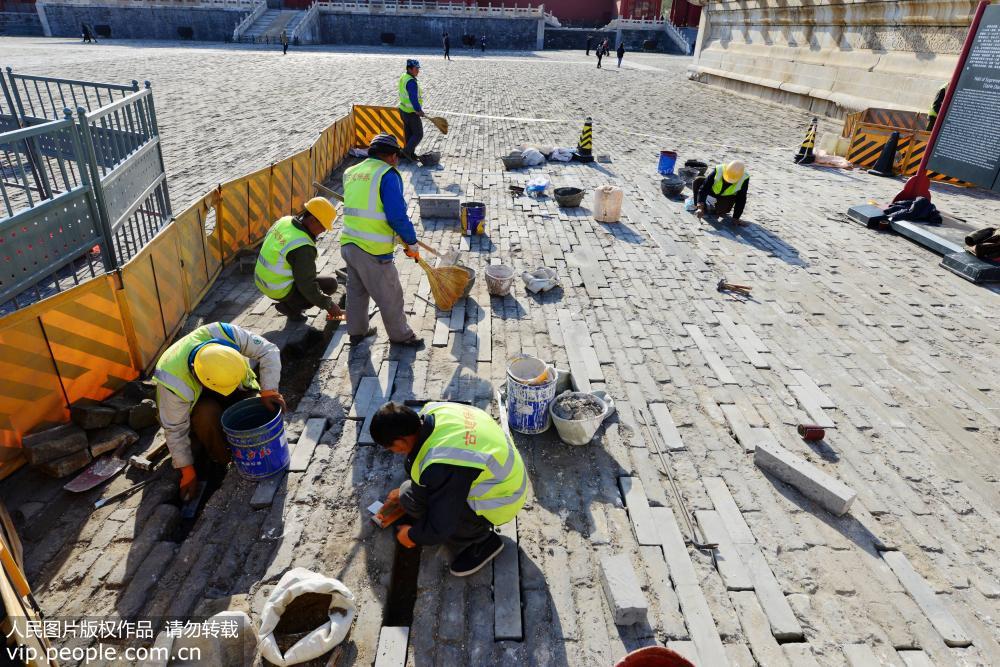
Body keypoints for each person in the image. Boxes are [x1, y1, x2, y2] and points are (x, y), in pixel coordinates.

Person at [370, 401, 528, 577]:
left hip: (503, 500)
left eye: (391, 448)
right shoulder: (432, 410)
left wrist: (412, 535)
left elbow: (441, 525)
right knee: (408, 494)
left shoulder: (442, 464)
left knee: (418, 503)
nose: (395, 452)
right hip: (504, 475)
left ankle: (482, 541)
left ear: (400, 441)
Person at [153, 322, 284, 501]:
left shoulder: (225, 333)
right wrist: (187, 470)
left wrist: (269, 390)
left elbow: (269, 350)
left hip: (238, 387)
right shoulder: (173, 382)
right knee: (206, 415)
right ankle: (224, 461)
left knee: (252, 407)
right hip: (198, 408)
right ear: (199, 376)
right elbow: (175, 429)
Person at [340, 134, 423, 347]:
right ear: (393, 157)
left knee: (356, 291)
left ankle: (356, 333)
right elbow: (396, 216)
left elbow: (369, 210)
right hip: (372, 249)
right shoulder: (387, 174)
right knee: (390, 295)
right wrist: (411, 241)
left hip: (349, 244)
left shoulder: (351, 172)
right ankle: (401, 336)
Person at [255, 197, 345, 323]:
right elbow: (307, 285)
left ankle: (288, 302)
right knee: (329, 285)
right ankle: (290, 307)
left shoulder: (284, 221)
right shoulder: (302, 246)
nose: (324, 230)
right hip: (277, 288)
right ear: (313, 220)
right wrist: (329, 305)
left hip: (261, 281)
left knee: (315, 278)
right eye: (323, 225)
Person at [694, 160, 749, 225]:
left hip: (726, 197)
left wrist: (736, 218)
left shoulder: (744, 178)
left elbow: (741, 199)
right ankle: (698, 206)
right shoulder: (719, 170)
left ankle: (711, 207)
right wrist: (700, 207)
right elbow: (704, 189)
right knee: (698, 181)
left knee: (719, 211)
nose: (728, 182)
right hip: (712, 191)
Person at [398, 59, 425, 162]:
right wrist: (418, 110)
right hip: (411, 113)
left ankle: (410, 154)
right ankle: (406, 151)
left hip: (403, 110)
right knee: (418, 134)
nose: (418, 71)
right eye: (416, 69)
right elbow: (413, 98)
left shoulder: (404, 77)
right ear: (409, 69)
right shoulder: (411, 82)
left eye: (418, 68)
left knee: (409, 134)